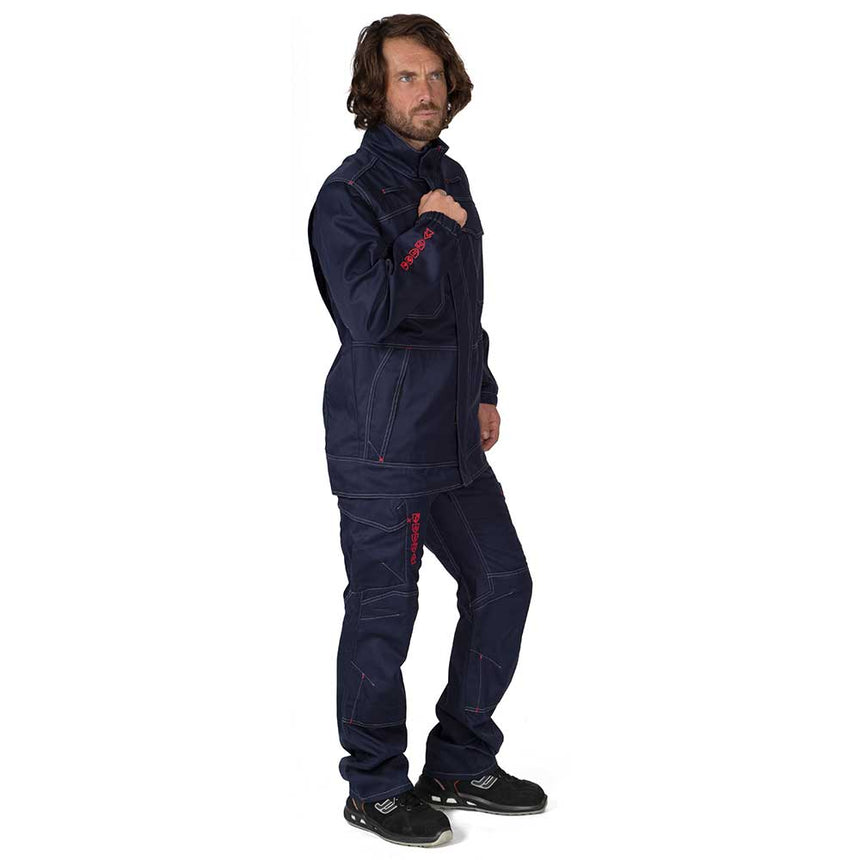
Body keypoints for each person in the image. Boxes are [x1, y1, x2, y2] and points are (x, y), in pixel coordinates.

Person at [307, 14, 547, 847]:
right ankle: (374, 788)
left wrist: (481, 387)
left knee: (503, 582)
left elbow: (462, 305)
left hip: (451, 438)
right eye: (407, 76)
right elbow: (371, 315)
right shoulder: (347, 196)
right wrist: (433, 229)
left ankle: (460, 761)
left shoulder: (448, 175)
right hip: (384, 446)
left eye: (436, 75)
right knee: (385, 613)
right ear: (375, 90)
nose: (426, 91)